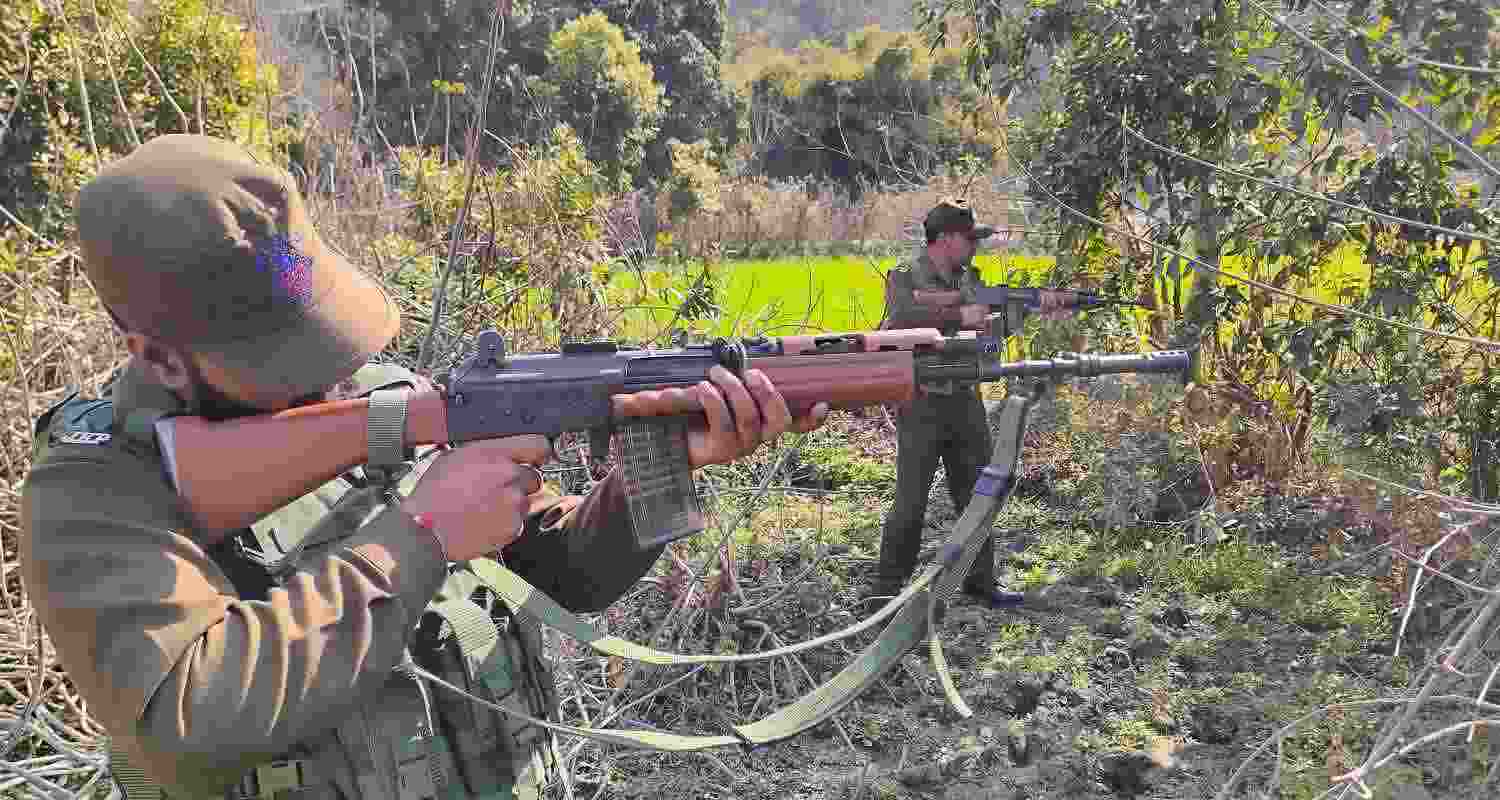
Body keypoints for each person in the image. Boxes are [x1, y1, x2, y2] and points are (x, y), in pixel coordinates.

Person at [20, 134, 829, 800]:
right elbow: (189, 721)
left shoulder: (385, 404)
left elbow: (571, 573)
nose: (327, 373)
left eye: (320, 333)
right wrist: (420, 537)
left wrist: (664, 462)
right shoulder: (95, 494)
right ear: (157, 357)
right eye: (279, 356)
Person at [866, 197, 1019, 608]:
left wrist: (1006, 318)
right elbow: (899, 319)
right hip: (921, 401)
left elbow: (991, 336)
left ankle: (981, 581)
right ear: (945, 238)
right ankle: (886, 590)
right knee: (911, 500)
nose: (975, 247)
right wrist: (958, 317)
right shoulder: (905, 276)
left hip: (965, 398)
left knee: (979, 493)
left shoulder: (973, 279)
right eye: (969, 239)